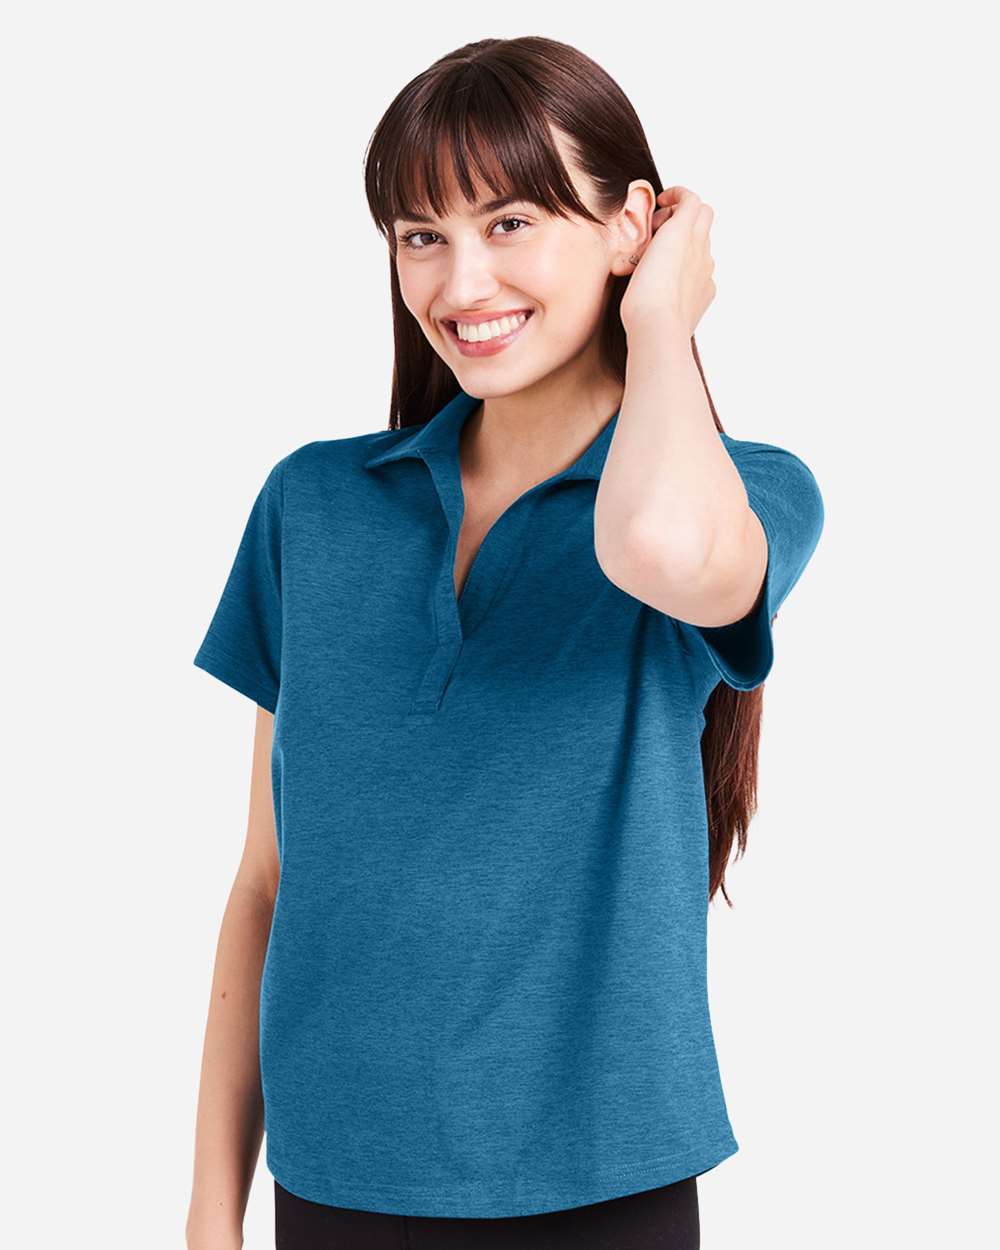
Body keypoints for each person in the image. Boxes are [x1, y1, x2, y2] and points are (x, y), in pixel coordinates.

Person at [185, 35, 824, 1250]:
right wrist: (213, 1211)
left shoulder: (748, 492)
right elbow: (267, 878)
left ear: (629, 223)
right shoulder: (313, 504)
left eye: (511, 221)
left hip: (598, 1190)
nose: (460, 281)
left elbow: (660, 546)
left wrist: (661, 310)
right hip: (332, 1179)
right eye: (421, 234)